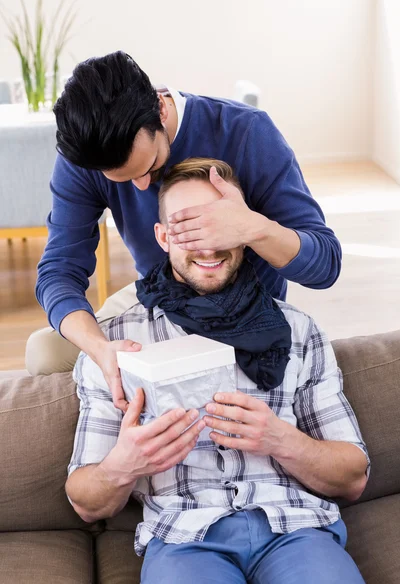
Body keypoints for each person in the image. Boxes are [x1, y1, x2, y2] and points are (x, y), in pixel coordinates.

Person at [66, 159, 368, 584]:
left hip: (295, 529)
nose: (207, 246)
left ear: (245, 232)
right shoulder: (115, 345)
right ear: (163, 236)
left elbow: (354, 478)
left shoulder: (299, 330)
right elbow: (84, 502)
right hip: (184, 536)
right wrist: (125, 464)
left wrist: (281, 439)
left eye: (219, 226)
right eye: (188, 229)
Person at [28, 51, 342, 412]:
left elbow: (325, 265)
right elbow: (58, 271)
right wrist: (100, 349)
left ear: (160, 110)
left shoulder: (245, 132)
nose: (143, 187)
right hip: (161, 295)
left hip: (244, 307)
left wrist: (252, 227)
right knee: (44, 352)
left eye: (151, 166)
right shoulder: (86, 157)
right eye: (126, 179)